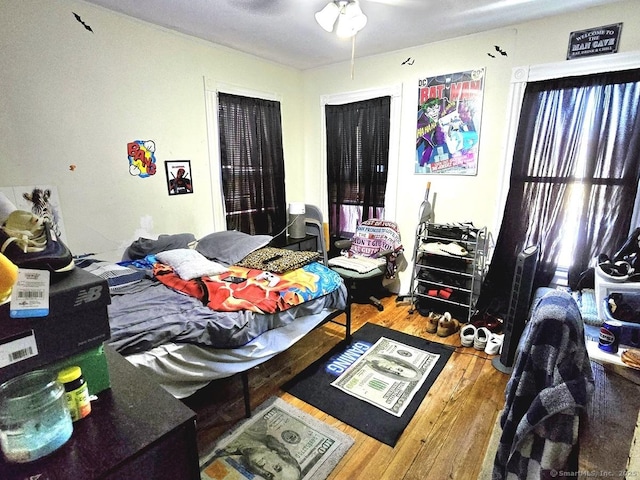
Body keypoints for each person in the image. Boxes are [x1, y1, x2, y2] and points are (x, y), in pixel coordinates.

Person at [210, 426, 301, 480]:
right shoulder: (257, 428)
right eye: (277, 467)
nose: (265, 469)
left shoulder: (222, 456)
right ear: (276, 452)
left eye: (269, 476)